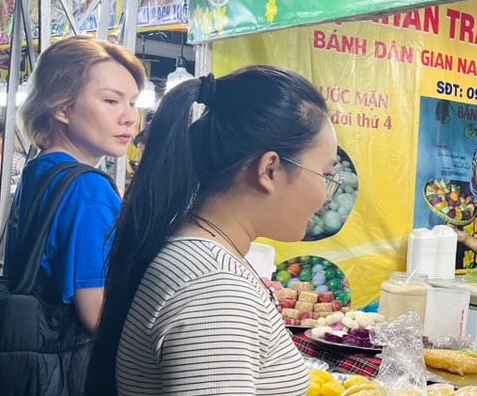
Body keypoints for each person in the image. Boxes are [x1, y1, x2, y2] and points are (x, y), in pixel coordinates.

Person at [85, 67, 336, 396]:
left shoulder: (194, 251)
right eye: (325, 174)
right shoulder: (216, 289)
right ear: (269, 169)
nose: (326, 197)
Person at [2, 35, 144, 394]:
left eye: (132, 102)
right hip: (69, 369)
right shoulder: (88, 189)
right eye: (111, 101)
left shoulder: (41, 169)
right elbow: (96, 314)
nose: (129, 117)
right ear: (61, 108)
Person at [0, 119, 26, 195]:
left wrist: (7, 181)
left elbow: (25, 176)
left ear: (7, 139)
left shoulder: (18, 159)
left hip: (6, 201)